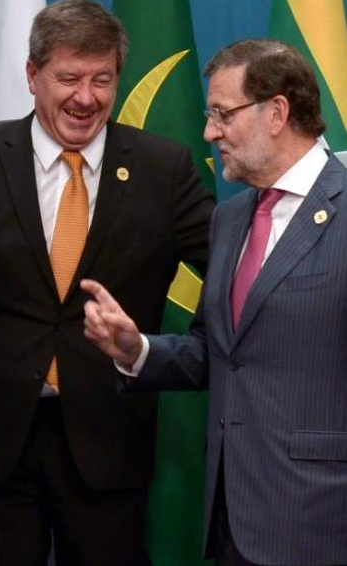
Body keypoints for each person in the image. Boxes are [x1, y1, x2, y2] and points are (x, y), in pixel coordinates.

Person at [0, 1, 214, 564]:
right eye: (69, 78)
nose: (86, 97)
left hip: (110, 439)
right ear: (33, 76)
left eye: (102, 80)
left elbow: (231, 272)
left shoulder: (163, 167)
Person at [82, 38, 347, 566]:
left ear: (277, 112)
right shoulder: (229, 219)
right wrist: (137, 350)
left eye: (223, 114)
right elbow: (219, 351)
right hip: (231, 517)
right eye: (210, 115)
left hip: (323, 519)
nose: (209, 132)